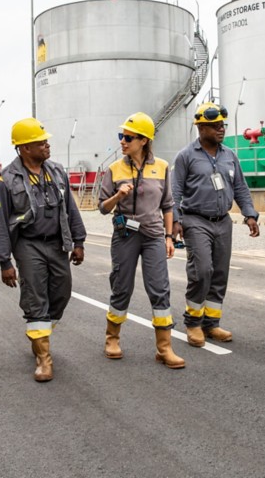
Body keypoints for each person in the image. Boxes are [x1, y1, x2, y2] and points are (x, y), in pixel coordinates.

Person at [0, 118, 86, 382]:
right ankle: (44, 358)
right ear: (24, 148)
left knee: (62, 293)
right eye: (41, 142)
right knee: (35, 297)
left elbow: (70, 208)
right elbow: (0, 223)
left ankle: (39, 332)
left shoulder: (56, 171)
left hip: (57, 243)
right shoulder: (7, 179)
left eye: (46, 140)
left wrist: (78, 242)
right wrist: (4, 262)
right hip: (28, 244)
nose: (47, 145)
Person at [98, 113, 184, 369]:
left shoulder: (162, 166)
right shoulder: (114, 169)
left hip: (154, 235)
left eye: (128, 137)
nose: (122, 141)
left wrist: (169, 237)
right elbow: (102, 207)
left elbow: (168, 204)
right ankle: (112, 339)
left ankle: (164, 348)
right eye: (121, 136)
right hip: (125, 235)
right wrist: (117, 196)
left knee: (159, 287)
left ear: (143, 141)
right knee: (122, 285)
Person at [172, 103, 260, 347]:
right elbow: (175, 192)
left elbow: (240, 187)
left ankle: (212, 324)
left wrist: (250, 214)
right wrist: (176, 220)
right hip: (195, 220)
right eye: (215, 125)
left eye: (223, 125)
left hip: (223, 221)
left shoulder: (230, 155)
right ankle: (193, 322)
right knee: (202, 270)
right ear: (201, 127)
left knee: (220, 273)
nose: (221, 129)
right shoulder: (186, 156)